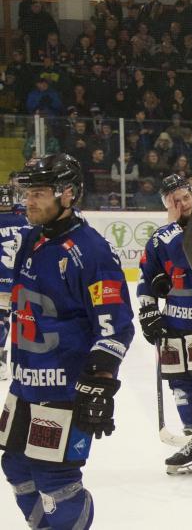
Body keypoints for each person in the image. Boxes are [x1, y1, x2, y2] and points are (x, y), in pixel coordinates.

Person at [2, 154, 135, 528]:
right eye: (28, 193)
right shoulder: (32, 239)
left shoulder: (91, 251)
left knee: (55, 479)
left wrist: (100, 382)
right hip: (24, 383)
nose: (28, 201)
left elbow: (115, 326)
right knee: (16, 466)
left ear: (68, 194)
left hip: (63, 387)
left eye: (39, 193)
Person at [136, 174, 192, 477]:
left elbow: (185, 255)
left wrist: (173, 226)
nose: (182, 204)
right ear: (165, 204)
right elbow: (145, 275)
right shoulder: (158, 237)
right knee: (179, 384)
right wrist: (148, 310)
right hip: (172, 321)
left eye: (185, 198)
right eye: (173, 201)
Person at [0, 185, 28, 381]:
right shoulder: (24, 220)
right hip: (22, 283)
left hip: (1, 282)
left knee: (1, 321)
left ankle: (1, 362)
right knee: (24, 323)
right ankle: (21, 365)